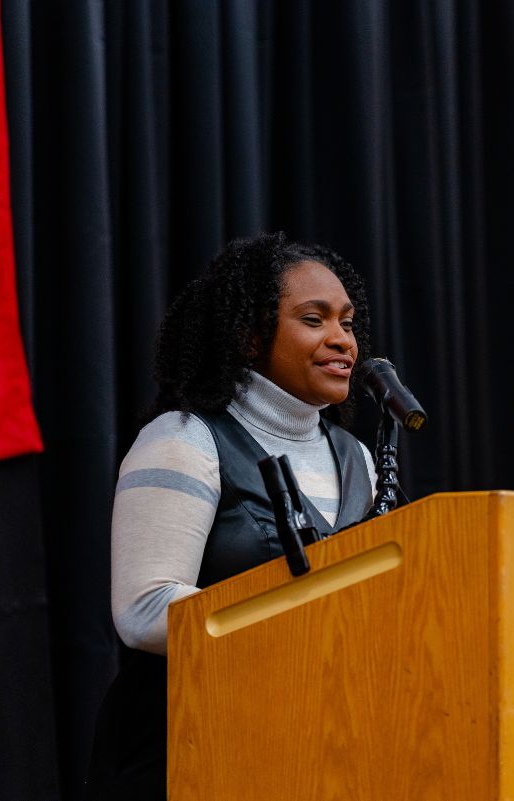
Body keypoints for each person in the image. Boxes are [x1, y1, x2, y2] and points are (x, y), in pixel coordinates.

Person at [86, 232, 377, 799]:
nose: (343, 340)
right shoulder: (185, 439)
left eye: (348, 322)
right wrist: (307, 628)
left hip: (319, 743)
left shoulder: (359, 459)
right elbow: (144, 610)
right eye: (314, 320)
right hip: (188, 744)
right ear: (249, 336)